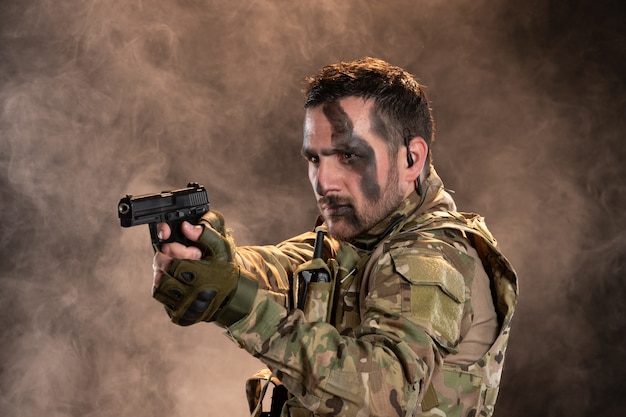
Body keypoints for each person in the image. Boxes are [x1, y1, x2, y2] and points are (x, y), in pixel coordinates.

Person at [151, 57, 518, 417]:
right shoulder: (360, 237)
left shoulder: (433, 258)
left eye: (348, 155)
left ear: (411, 159)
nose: (324, 182)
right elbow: (282, 267)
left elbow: (378, 399)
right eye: (315, 159)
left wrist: (236, 301)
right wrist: (209, 256)